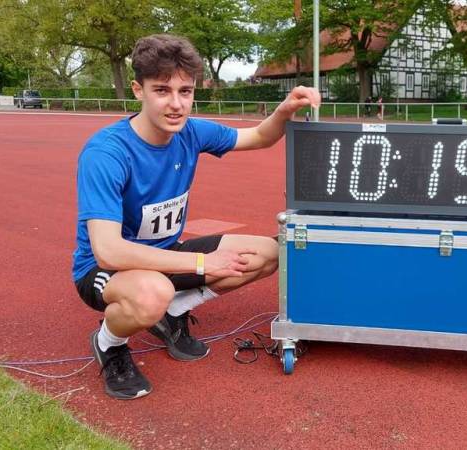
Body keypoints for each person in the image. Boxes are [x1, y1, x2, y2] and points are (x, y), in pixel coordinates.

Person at [72, 34, 320, 400]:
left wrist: (285, 109)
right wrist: (204, 262)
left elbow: (260, 137)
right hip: (104, 270)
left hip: (168, 251)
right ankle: (110, 343)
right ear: (138, 90)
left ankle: (173, 312)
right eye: (162, 91)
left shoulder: (191, 132)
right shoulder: (106, 153)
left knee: (271, 252)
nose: (176, 104)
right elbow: (110, 251)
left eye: (185, 91)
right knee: (151, 292)